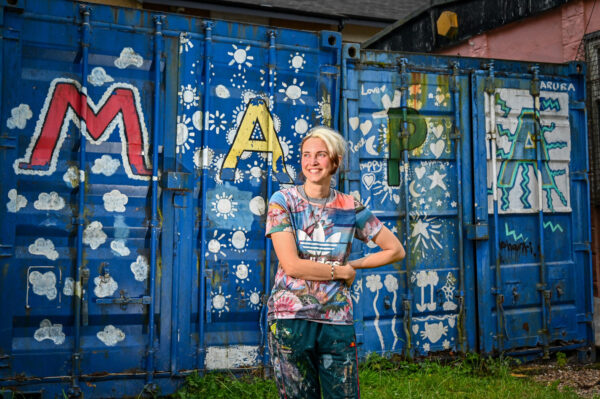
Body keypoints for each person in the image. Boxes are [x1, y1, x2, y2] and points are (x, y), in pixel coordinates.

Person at [265, 125, 405, 399]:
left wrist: (355, 266)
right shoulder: (283, 202)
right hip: (291, 318)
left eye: (320, 155)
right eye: (306, 155)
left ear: (335, 162)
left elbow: (395, 250)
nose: (312, 162)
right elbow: (292, 265)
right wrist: (338, 270)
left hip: (337, 320)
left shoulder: (350, 206)